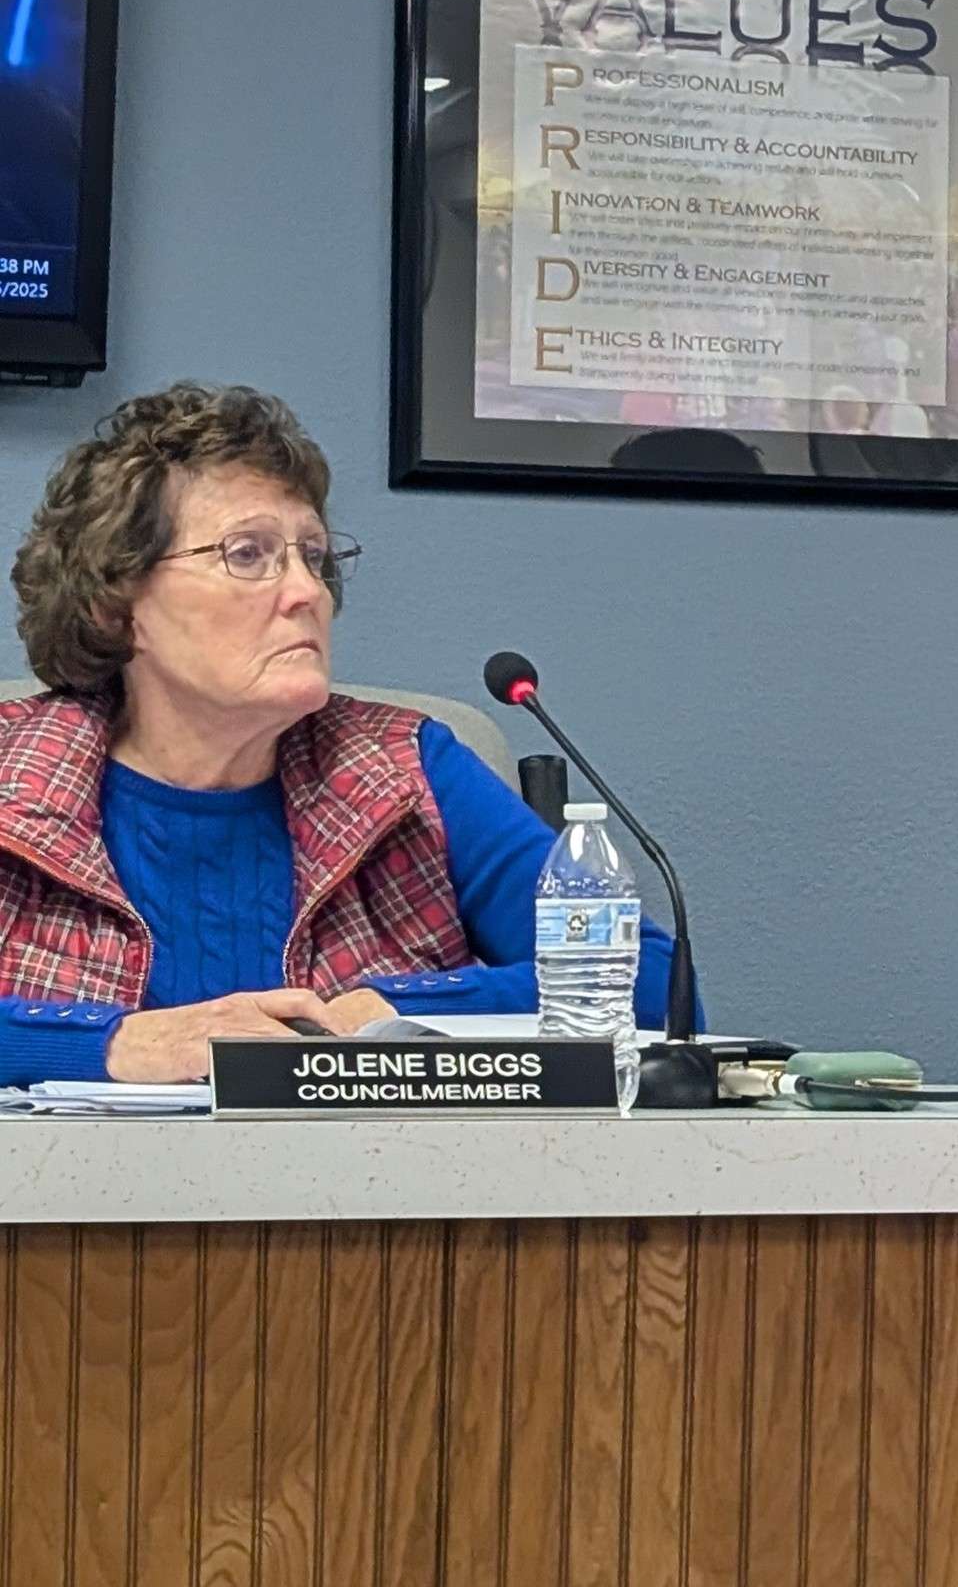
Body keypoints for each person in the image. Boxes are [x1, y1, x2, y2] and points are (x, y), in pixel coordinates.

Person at [0, 383, 675, 1084]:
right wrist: (115, 1044)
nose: (306, 592)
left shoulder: (406, 771)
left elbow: (648, 983)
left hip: (377, 1185)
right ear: (116, 605)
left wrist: (385, 1010)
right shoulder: (13, 777)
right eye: (248, 554)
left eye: (313, 557)